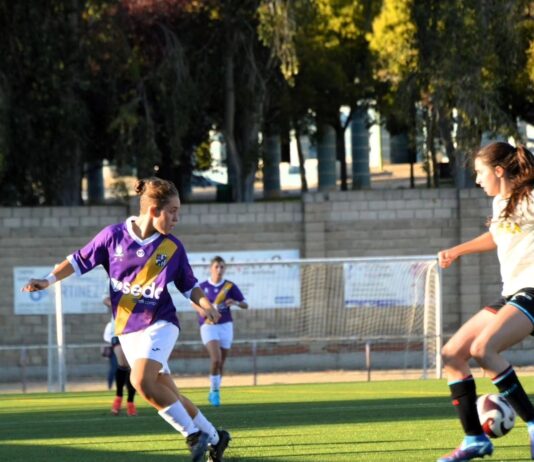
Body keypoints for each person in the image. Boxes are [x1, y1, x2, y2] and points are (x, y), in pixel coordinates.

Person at [22, 177, 231, 462]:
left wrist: (205, 303)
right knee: (166, 392)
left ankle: (194, 436)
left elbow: (188, 284)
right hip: (128, 330)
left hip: (161, 323)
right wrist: (47, 281)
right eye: (173, 211)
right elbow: (77, 260)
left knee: (141, 381)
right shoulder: (113, 236)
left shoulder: (171, 248)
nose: (177, 218)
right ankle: (217, 439)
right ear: (153, 210)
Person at [436, 142, 534, 462]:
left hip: (533, 292)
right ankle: (474, 439)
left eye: (479, 173)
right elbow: (496, 236)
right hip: (512, 294)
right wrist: (457, 251)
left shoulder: (531, 198)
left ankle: (533, 422)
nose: (477, 180)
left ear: (498, 170)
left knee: (483, 349)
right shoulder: (499, 203)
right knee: (452, 354)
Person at [195, 256, 248, 406]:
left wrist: (236, 302)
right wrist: (201, 310)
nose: (219, 270)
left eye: (222, 267)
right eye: (217, 266)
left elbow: (245, 304)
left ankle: (215, 389)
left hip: (226, 326)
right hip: (208, 325)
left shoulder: (229, 286)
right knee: (216, 359)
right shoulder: (203, 286)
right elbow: (193, 301)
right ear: (211, 268)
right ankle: (214, 392)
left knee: (221, 362)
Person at [103, 296, 138, 416]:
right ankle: (118, 398)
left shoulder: (139, 282)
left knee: (130, 366)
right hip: (117, 330)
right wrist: (118, 303)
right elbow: (105, 299)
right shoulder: (113, 279)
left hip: (135, 329)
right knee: (122, 363)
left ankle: (130, 402)